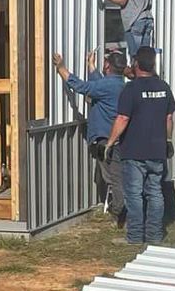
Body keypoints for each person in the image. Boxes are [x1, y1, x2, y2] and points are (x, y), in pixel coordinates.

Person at [108, 44, 175, 246]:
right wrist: (168, 140)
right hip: (157, 150)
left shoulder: (131, 89)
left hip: (134, 151)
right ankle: (155, 236)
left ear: (136, 63)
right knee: (155, 192)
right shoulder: (163, 87)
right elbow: (169, 118)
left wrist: (110, 143)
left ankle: (135, 237)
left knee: (134, 195)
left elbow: (122, 118)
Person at [54, 49, 128, 223]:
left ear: (108, 65)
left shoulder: (107, 86)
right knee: (113, 175)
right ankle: (121, 208)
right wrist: (91, 65)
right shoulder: (118, 84)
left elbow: (81, 86)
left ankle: (120, 211)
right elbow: (98, 85)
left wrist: (61, 68)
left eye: (105, 61)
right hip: (116, 138)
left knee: (113, 177)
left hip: (106, 140)